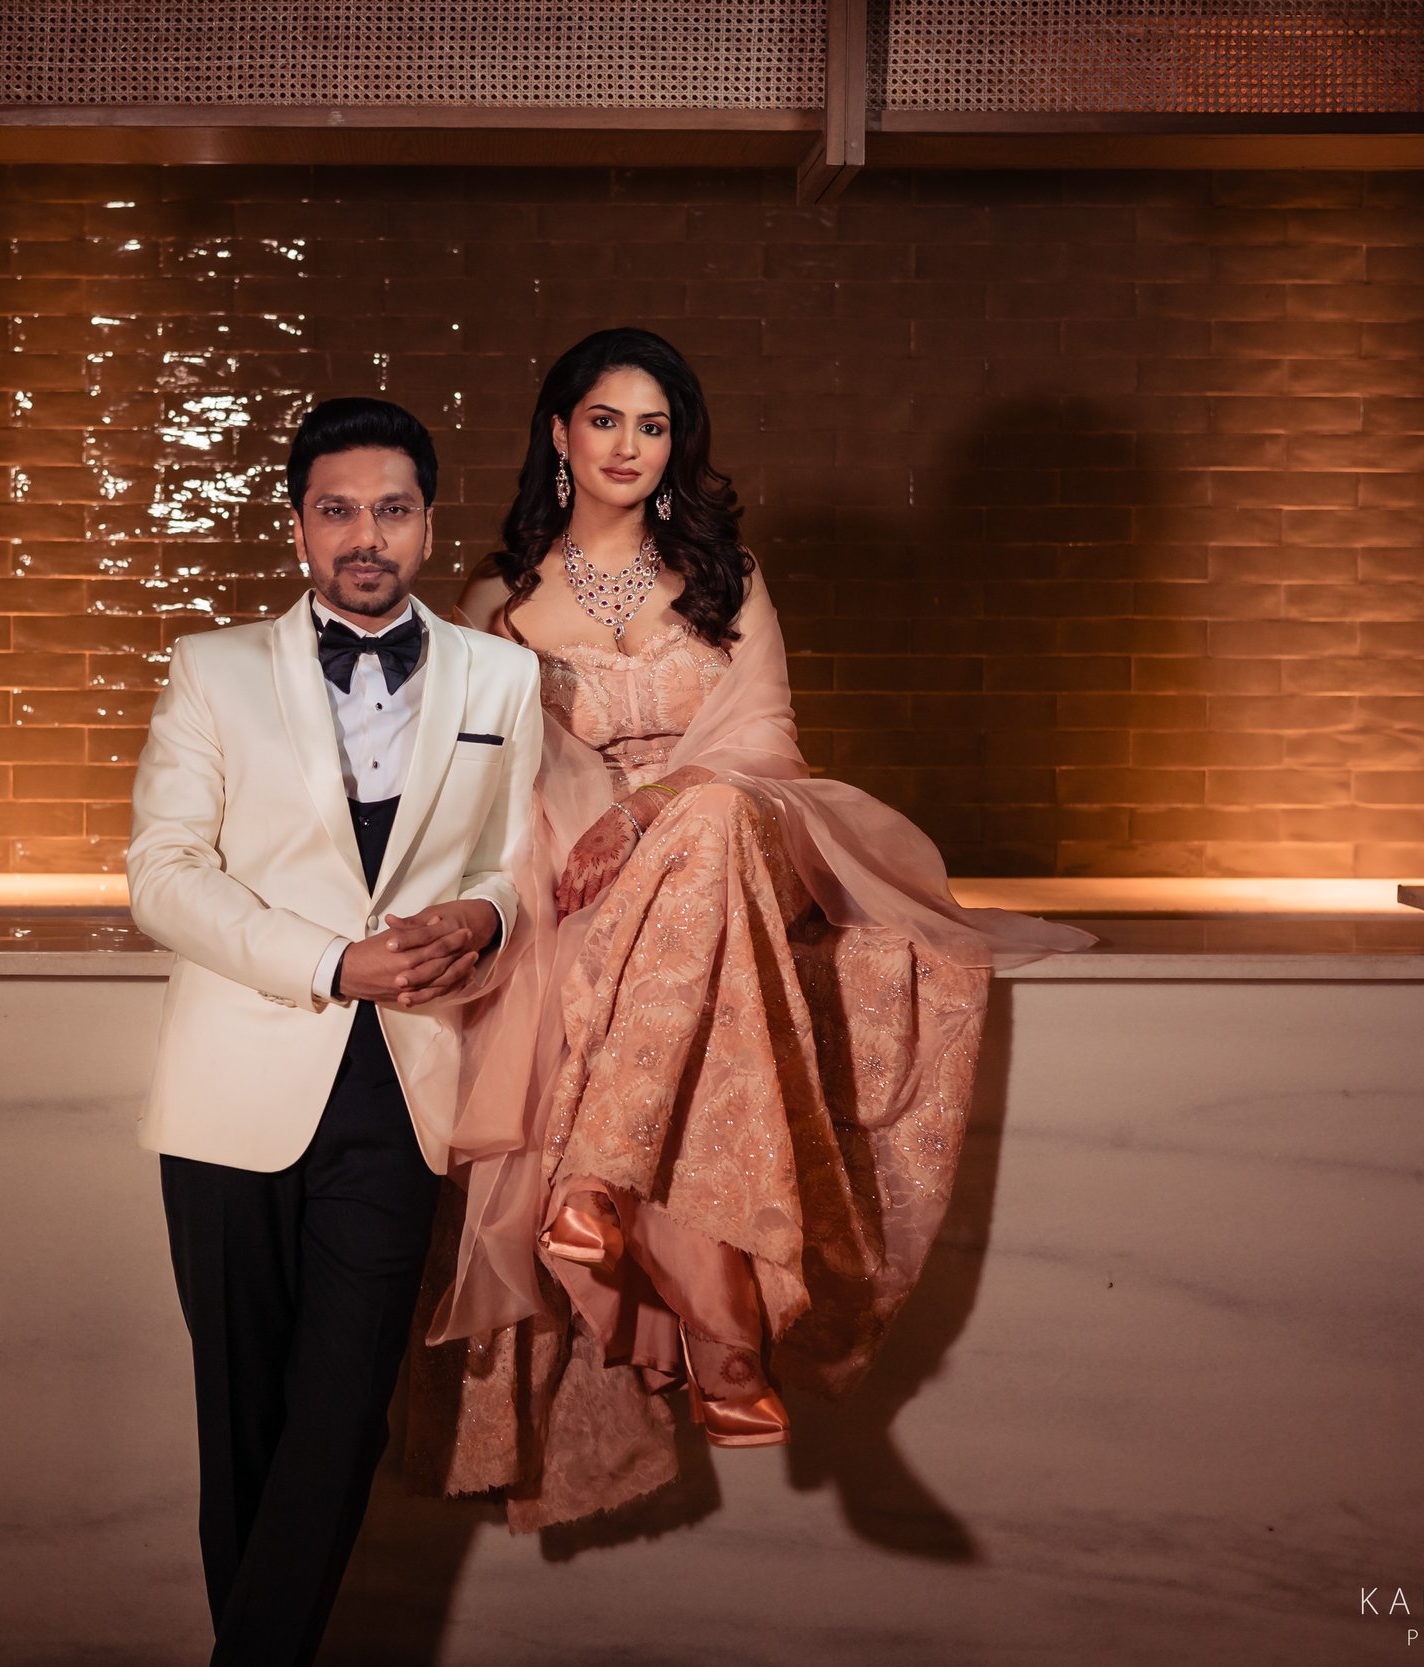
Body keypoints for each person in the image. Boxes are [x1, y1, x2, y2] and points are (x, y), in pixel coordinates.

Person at [409, 329, 1096, 1532]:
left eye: (654, 424)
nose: (629, 445)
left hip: (748, 832)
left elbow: (766, 741)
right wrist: (579, 835)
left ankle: (600, 1174)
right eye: (606, 419)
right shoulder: (494, 600)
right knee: (669, 928)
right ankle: (722, 1342)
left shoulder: (725, 575)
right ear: (559, 433)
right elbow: (482, 780)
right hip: (578, 868)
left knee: (716, 810)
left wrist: (650, 808)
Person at [127, 396, 543, 1665]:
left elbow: (523, 855)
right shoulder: (211, 668)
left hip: (406, 1086)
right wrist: (329, 961)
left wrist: (483, 909)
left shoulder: (503, 676)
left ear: (428, 522)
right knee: (244, 1418)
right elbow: (161, 874)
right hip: (231, 1089)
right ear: (299, 524)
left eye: (392, 509)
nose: (367, 534)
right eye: (338, 509)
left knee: (344, 1410)